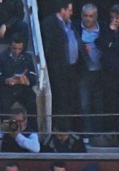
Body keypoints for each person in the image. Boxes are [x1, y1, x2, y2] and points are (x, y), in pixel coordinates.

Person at [41, 0, 80, 131]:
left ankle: (70, 129)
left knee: (71, 99)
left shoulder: (70, 24)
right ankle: (60, 129)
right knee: (61, 99)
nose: (72, 13)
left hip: (72, 68)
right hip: (58, 69)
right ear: (62, 10)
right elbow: (47, 46)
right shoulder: (50, 23)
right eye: (70, 10)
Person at [0, 29, 36, 117]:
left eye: (19, 49)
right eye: (14, 48)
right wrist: (6, 80)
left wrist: (27, 81)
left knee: (32, 100)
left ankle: (32, 129)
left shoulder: (28, 57)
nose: (17, 51)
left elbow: (33, 76)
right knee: (4, 103)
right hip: (6, 89)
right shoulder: (0, 57)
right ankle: (7, 129)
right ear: (10, 46)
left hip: (23, 88)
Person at [76, 3, 104, 134]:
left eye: (91, 16)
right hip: (84, 73)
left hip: (101, 71)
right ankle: (86, 132)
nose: (88, 19)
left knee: (99, 104)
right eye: (85, 16)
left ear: (96, 17)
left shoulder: (103, 29)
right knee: (84, 104)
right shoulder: (76, 28)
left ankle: (98, 133)